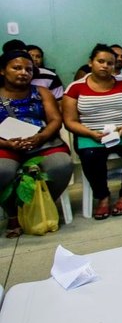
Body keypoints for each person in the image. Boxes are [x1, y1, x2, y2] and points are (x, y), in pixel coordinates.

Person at [63, 44, 122, 220]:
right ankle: (103, 197)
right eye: (100, 61)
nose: (105, 66)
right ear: (90, 62)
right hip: (90, 133)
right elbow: (69, 121)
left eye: (110, 63)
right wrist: (90, 133)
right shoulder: (75, 88)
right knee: (90, 155)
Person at [0, 50, 72, 238]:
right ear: (2, 71)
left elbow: (55, 120)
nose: (23, 72)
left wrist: (40, 137)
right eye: (17, 68)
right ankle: (13, 214)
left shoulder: (41, 92)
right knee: (2, 170)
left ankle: (41, 206)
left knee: (61, 165)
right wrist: (7, 144)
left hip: (41, 140)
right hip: (5, 144)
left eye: (28, 69)